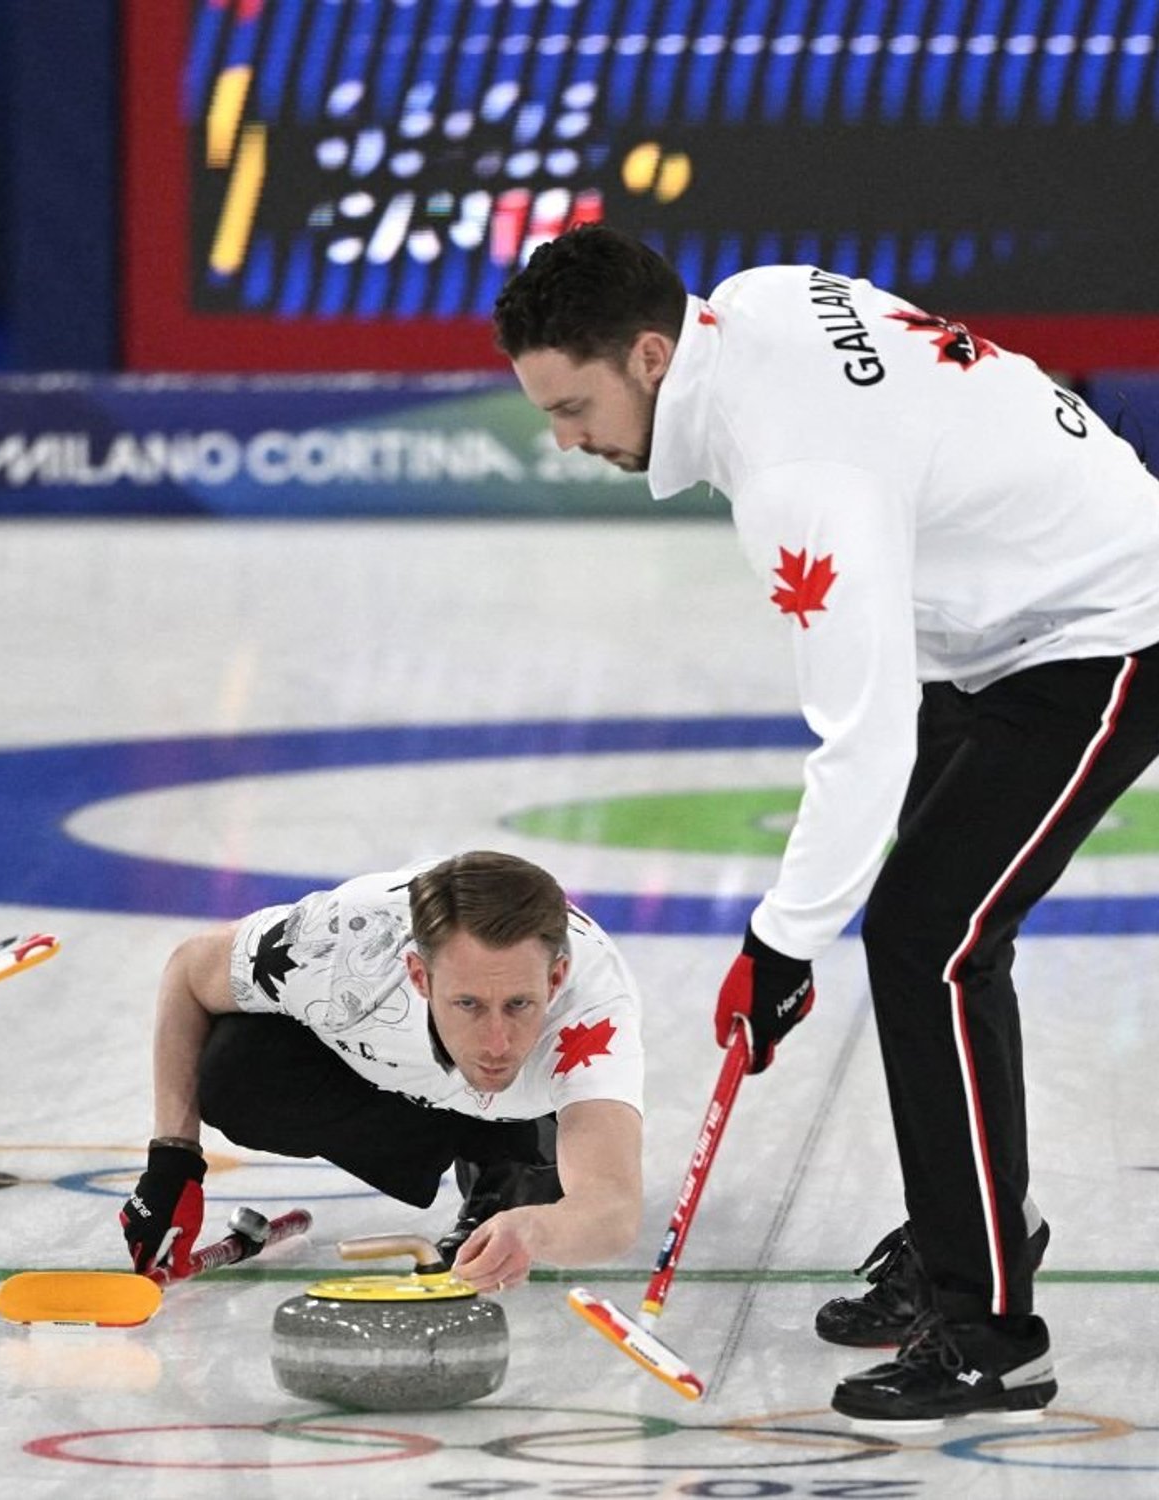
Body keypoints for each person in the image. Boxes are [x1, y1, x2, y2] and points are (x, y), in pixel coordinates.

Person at [494, 224, 1159, 1425]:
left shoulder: (797, 478)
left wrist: (777, 944)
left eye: (573, 406)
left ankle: (991, 1333)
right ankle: (975, 1225)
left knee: (925, 940)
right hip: (987, 625)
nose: (565, 440)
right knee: (930, 936)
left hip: (1102, 625)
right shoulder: (751, 299)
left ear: (649, 357)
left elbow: (861, 738)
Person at [119, 852, 644, 1296]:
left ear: (555, 979)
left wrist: (536, 1228)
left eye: (519, 1004)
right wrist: (173, 1162)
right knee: (237, 1072)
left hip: (527, 1103)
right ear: (418, 975)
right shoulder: (336, 949)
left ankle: (513, 1151)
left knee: (551, 1162)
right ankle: (472, 1136)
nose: (496, 1043)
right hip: (395, 1065)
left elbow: (613, 1206)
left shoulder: (592, 1013)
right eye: (467, 1003)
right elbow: (189, 971)